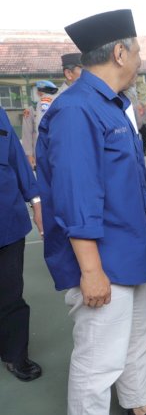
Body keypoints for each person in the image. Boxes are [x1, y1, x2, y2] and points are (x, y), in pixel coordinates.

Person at [36, 9, 146, 415]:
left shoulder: (109, 104)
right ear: (121, 53)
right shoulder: (77, 109)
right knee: (98, 361)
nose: (142, 60)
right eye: (139, 51)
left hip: (125, 251)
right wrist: (91, 271)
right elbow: (76, 197)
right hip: (101, 260)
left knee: (138, 338)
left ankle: (142, 407)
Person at [0, 106, 43, 382]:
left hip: (6, 220)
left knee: (10, 292)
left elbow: (15, 155)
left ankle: (15, 354)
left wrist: (36, 201)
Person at [21, 80, 59, 169]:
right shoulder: (30, 110)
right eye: (43, 93)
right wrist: (29, 155)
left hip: (56, 152)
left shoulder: (58, 107)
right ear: (38, 93)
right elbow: (27, 134)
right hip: (39, 153)